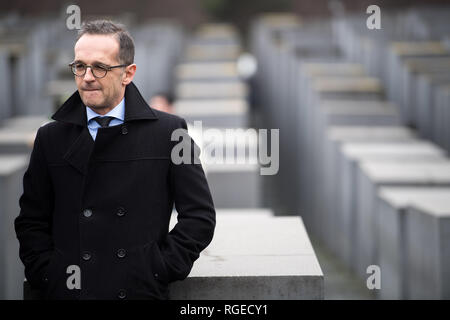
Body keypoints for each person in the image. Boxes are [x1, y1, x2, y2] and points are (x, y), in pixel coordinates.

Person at [14, 20, 216, 300]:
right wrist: (49, 274)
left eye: (100, 67)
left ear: (128, 73)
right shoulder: (51, 137)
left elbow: (199, 216)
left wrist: (158, 269)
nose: (86, 77)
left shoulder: (169, 132)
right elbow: (31, 220)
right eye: (79, 66)